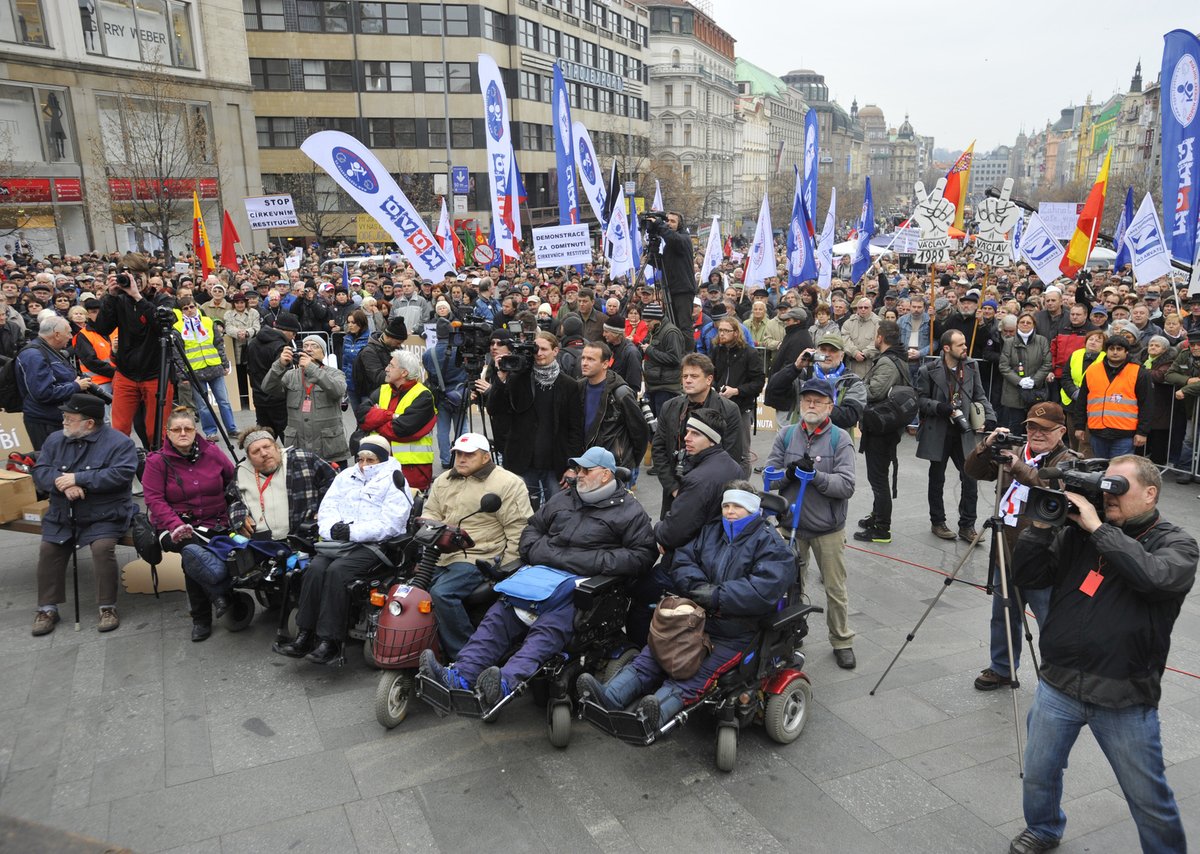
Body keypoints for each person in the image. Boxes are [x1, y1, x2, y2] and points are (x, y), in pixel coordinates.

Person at [1008, 455, 1197, 854]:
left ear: (1150, 494)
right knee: (1039, 775)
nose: (1108, 496)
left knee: (1148, 799)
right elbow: (1029, 577)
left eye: (1118, 487)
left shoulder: (1176, 542)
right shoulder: (1080, 535)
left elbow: (1155, 579)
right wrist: (1042, 526)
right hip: (1058, 683)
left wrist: (1096, 528)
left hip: (1123, 696)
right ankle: (1043, 828)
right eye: (1105, 485)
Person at [421, 446, 657, 709]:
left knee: (548, 628)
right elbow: (531, 532)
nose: (578, 475)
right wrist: (548, 554)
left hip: (584, 586)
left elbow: (642, 557)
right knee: (500, 615)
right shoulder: (564, 499)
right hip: (541, 578)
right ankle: (460, 675)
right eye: (577, 469)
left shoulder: (629, 510)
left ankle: (503, 684)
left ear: (605, 475)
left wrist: (590, 562)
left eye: (585, 470)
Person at [578, 482, 792, 727]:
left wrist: (717, 595)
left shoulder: (771, 545)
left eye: (738, 506)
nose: (730, 511)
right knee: (653, 655)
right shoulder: (711, 530)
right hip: (694, 616)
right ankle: (609, 697)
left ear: (752, 510)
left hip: (734, 631)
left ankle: (652, 715)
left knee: (693, 673)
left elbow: (763, 589)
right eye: (727, 505)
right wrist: (699, 588)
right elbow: (683, 560)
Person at [964, 402, 1078, 692]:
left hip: (1045, 558)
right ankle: (1002, 668)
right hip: (1007, 549)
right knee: (1003, 615)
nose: (1036, 434)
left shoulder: (1068, 459)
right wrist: (986, 446)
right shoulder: (1013, 451)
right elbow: (973, 470)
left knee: (1050, 622)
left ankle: (1059, 677)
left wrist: (1018, 467)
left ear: (1061, 431)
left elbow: (1053, 486)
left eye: (1044, 429)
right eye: (1031, 427)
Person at [273, 434, 412, 664]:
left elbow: (392, 524)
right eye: (361, 459)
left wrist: (352, 532)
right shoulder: (346, 476)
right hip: (340, 542)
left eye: (371, 460)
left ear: (384, 459)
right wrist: (332, 529)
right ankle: (305, 634)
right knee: (315, 568)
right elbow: (328, 507)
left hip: (375, 545)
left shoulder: (395, 479)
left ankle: (330, 641)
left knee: (338, 571)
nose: (364, 465)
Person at [764, 378, 858, 669]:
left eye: (818, 401)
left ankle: (842, 640)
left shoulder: (840, 438)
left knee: (835, 588)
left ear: (830, 406)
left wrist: (816, 477)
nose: (811, 405)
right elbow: (770, 477)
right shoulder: (787, 434)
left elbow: (846, 485)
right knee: (789, 584)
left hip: (827, 529)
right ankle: (793, 631)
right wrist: (789, 475)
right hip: (790, 524)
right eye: (807, 400)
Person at [28, 393, 137, 636]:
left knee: (102, 548)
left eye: (69, 418)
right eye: (64, 416)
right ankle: (47, 608)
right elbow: (40, 470)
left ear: (89, 423)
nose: (64, 421)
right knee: (49, 548)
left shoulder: (119, 443)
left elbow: (121, 474)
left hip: (105, 513)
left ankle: (107, 607)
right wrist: (62, 483)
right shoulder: (56, 440)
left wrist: (80, 479)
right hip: (63, 512)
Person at [421, 433, 533, 659]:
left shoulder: (507, 483)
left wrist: (508, 569)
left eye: (469, 455)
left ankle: (466, 656)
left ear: (485, 457)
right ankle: (429, 645)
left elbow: (518, 529)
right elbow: (430, 511)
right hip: (440, 553)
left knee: (442, 594)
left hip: (479, 555)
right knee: (410, 591)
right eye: (458, 454)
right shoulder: (444, 480)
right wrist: (429, 524)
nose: (461, 459)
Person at [142, 408, 236, 642]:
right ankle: (213, 602)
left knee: (193, 554)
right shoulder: (156, 461)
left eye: (188, 428)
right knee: (190, 547)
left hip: (215, 522)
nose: (183, 433)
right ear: (168, 433)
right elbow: (154, 499)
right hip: (172, 525)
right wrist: (175, 524)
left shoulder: (212, 453)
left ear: (195, 430)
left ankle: (205, 613)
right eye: (177, 429)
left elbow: (232, 480)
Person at [485, 331, 582, 510]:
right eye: (536, 349)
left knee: (556, 512)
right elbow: (494, 409)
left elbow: (575, 429)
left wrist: (573, 466)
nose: (539, 353)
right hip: (522, 460)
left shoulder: (569, 385)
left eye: (544, 349)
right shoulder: (518, 378)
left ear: (556, 351)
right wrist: (501, 378)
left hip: (555, 464)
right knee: (522, 513)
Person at [916, 330, 996, 542]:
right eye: (960, 345)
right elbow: (921, 400)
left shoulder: (971, 366)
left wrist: (990, 416)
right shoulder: (929, 370)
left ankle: (968, 525)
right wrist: (939, 407)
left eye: (965, 344)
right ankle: (938, 522)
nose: (965, 348)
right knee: (937, 478)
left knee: (970, 476)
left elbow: (979, 394)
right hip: (939, 431)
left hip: (964, 431)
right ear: (946, 348)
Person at [652, 353, 744, 517]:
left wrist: (700, 492)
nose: (687, 380)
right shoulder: (670, 407)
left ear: (709, 379)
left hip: (711, 496)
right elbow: (658, 450)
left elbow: (732, 458)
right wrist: (673, 488)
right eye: (685, 376)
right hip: (675, 492)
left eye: (694, 376)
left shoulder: (729, 410)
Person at [93, 255, 173, 441]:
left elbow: (162, 326)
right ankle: (122, 466)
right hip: (126, 373)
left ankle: (159, 466)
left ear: (146, 275)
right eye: (127, 275)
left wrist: (137, 297)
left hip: (156, 373)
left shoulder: (161, 299)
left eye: (137, 276)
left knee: (156, 431)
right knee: (118, 430)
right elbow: (102, 328)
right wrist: (111, 297)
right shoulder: (118, 299)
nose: (133, 280)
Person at [855, 321, 909, 544]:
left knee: (878, 480)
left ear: (881, 337)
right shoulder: (895, 358)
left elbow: (875, 391)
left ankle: (881, 529)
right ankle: (877, 515)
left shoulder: (888, 362)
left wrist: (856, 386)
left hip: (881, 428)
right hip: (883, 425)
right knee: (878, 476)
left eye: (876, 336)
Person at [263, 334, 349, 468]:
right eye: (305, 346)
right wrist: (279, 365)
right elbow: (267, 388)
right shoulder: (291, 375)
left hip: (330, 450)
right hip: (298, 448)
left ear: (323, 353)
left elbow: (338, 390)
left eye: (314, 346)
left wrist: (311, 368)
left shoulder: (335, 373)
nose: (309, 349)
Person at [358, 348, 436, 491]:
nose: (386, 369)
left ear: (404, 372)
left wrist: (376, 421)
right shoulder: (382, 390)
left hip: (411, 470)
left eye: (391, 366)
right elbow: (362, 417)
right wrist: (389, 416)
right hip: (378, 466)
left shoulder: (423, 395)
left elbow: (400, 430)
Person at [1070, 334, 1152, 459]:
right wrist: (1079, 426)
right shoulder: (1093, 371)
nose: (1115, 352)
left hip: (1124, 434)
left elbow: (1146, 405)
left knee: (1118, 473)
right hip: (1097, 432)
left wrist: (1142, 432)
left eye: (1119, 349)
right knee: (1098, 471)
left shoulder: (1139, 373)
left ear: (1126, 352)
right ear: (1106, 351)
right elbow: (1082, 401)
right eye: (1111, 349)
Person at [15, 316, 90, 449]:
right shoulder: (34, 355)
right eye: (68, 332)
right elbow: (43, 393)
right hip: (44, 422)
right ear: (57, 334)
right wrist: (75, 386)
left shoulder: (49, 350)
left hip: (56, 418)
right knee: (52, 463)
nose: (70, 336)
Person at [764, 332, 865, 429]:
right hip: (802, 438)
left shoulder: (852, 381)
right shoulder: (802, 373)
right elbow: (773, 388)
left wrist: (815, 406)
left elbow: (850, 416)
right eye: (823, 350)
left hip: (835, 441)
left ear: (842, 356)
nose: (827, 354)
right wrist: (795, 367)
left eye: (833, 351)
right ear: (816, 352)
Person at [173, 296, 237, 440]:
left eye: (191, 306)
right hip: (195, 371)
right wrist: (182, 376)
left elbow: (219, 343)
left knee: (224, 401)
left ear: (196, 306)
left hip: (214, 367)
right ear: (181, 311)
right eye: (186, 308)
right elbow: (178, 354)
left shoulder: (208, 322)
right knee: (203, 406)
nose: (190, 310)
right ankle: (211, 432)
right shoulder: (177, 328)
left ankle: (232, 429)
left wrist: (225, 363)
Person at [580, 340, 648, 472]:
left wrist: (630, 462)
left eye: (590, 359)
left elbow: (640, 432)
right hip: (585, 462)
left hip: (614, 466)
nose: (584, 363)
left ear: (605, 364)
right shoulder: (578, 388)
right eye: (583, 358)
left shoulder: (621, 393)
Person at [710, 315, 765, 475]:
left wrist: (736, 391)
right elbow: (711, 374)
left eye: (726, 330)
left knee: (742, 452)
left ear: (736, 333)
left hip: (741, 407)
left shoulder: (749, 353)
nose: (722, 334)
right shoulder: (717, 350)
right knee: (717, 448)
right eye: (720, 330)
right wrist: (713, 387)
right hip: (718, 405)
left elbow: (758, 382)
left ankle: (742, 489)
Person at [245, 311, 300, 437]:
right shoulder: (281, 347)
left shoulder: (253, 342)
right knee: (289, 439)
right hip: (278, 400)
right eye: (293, 333)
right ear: (286, 331)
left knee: (265, 439)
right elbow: (285, 377)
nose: (294, 337)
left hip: (259, 397)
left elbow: (249, 369)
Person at [422, 322, 468, 469]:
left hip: (441, 396)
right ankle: (464, 457)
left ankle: (446, 460)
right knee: (462, 427)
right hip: (459, 393)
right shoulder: (461, 351)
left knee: (442, 430)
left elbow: (429, 372)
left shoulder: (429, 354)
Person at [998, 312, 1053, 431]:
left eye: (1029, 322)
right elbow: (1004, 366)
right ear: (1017, 325)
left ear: (1034, 325)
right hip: (1014, 390)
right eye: (1022, 322)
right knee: (1015, 425)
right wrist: (1019, 381)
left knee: (1035, 425)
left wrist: (1034, 380)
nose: (1025, 324)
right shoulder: (1009, 342)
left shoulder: (1042, 341)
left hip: (1035, 391)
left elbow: (1047, 363)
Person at [640, 302, 686, 418]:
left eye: (649, 321)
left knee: (663, 424)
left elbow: (675, 359)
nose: (646, 324)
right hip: (653, 386)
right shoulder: (654, 330)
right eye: (645, 321)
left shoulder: (671, 332)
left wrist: (650, 350)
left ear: (657, 319)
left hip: (666, 388)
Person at [223, 292, 260, 406]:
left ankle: (253, 397)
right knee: (239, 372)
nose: (240, 305)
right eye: (237, 303)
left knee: (252, 371)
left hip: (250, 344)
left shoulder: (254, 313)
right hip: (235, 346)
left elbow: (257, 327)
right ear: (234, 304)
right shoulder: (228, 314)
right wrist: (238, 333)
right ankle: (241, 399)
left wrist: (247, 332)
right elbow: (228, 327)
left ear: (245, 303)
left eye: (242, 302)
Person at [353, 316, 408, 392]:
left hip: (389, 390)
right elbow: (377, 377)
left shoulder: (396, 348)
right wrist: (401, 375)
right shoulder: (369, 351)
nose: (399, 346)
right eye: (397, 342)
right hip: (370, 393)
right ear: (388, 337)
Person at [840, 297, 881, 379]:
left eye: (866, 307)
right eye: (860, 307)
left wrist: (865, 353)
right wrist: (854, 352)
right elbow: (844, 340)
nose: (863, 309)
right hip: (851, 364)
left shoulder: (878, 323)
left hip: (870, 365)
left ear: (871, 308)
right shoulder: (849, 323)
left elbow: (879, 342)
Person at [339, 309, 371, 413]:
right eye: (348, 322)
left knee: (367, 415)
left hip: (365, 385)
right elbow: (344, 363)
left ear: (361, 323)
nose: (350, 325)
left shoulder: (370, 339)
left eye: (353, 322)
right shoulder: (347, 339)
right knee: (357, 414)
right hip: (351, 384)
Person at [601, 314, 643, 390]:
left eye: (606, 332)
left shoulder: (631, 353)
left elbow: (634, 383)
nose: (603, 334)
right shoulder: (609, 347)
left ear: (615, 333)